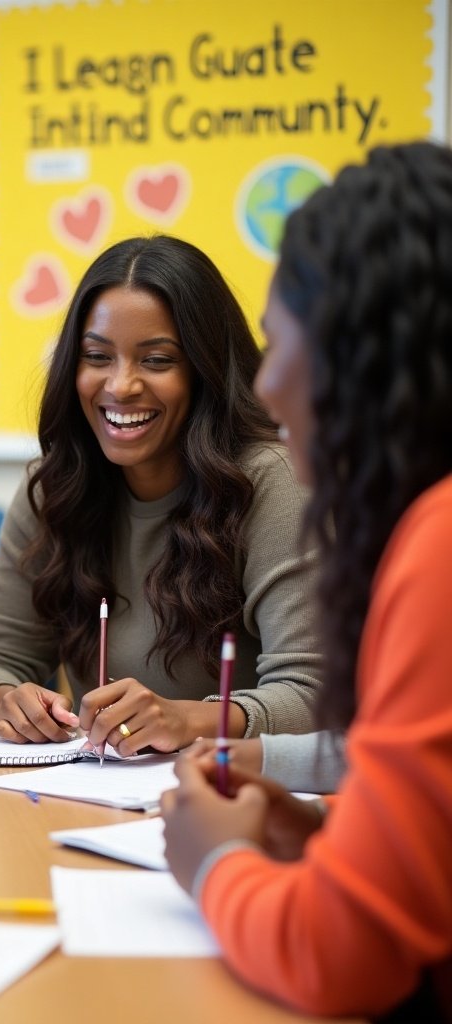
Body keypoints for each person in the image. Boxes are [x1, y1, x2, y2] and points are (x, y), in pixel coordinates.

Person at [161, 142, 452, 1020]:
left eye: (279, 339)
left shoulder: (439, 543)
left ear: (361, 355)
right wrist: (334, 834)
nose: (269, 383)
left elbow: (342, 957)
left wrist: (216, 864)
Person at [0, 235, 322, 755]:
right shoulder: (55, 486)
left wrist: (189, 718)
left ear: (205, 371)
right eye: (97, 356)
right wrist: (4, 699)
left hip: (230, 803)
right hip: (94, 802)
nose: (121, 386)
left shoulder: (271, 481)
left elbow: (314, 696)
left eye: (157, 360)